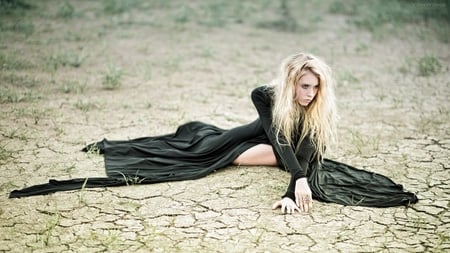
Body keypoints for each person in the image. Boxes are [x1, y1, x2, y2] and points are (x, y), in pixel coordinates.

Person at [9, 53, 418, 214]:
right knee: (204, 152)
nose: (309, 94)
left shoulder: (319, 110)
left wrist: (296, 184)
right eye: (303, 86)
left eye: (315, 87)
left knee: (293, 161)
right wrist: (296, 178)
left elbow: (308, 149)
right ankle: (118, 148)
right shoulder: (266, 95)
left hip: (282, 147)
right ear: (291, 81)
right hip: (249, 136)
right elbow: (277, 137)